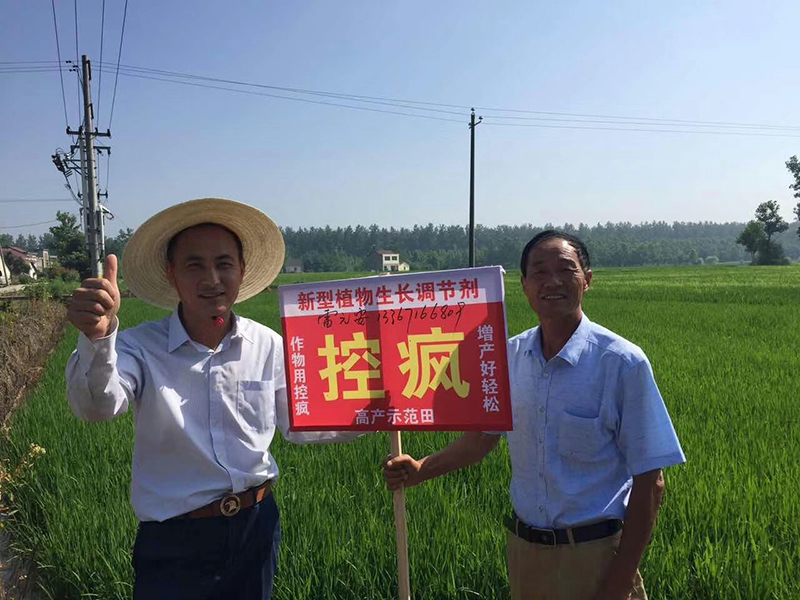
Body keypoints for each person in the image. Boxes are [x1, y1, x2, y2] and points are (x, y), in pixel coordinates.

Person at [66, 198, 358, 600]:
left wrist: (372, 412)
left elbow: (301, 423)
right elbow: (98, 406)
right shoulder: (138, 347)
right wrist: (97, 339)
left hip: (255, 528)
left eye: (224, 264)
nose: (212, 278)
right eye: (194, 265)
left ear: (241, 270)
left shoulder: (268, 345)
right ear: (172, 275)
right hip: (173, 539)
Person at [383, 230, 685, 600]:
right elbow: (481, 440)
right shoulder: (507, 358)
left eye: (566, 270)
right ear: (524, 285)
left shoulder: (621, 363)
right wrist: (421, 469)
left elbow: (650, 481)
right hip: (525, 554)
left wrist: (619, 581)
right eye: (539, 272)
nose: (552, 281)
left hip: (596, 557)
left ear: (587, 280)